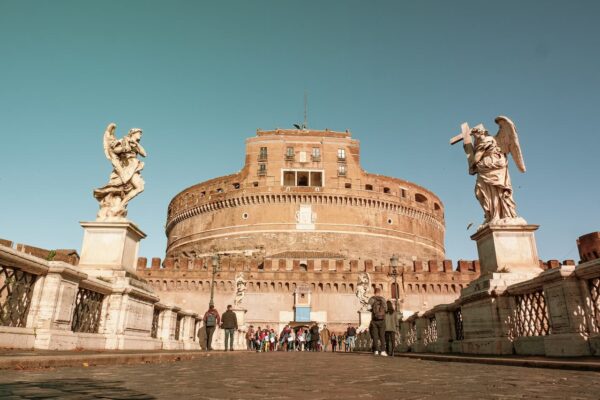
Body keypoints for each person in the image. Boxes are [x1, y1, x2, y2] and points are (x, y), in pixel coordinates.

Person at [368, 287, 387, 356]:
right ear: (379, 292)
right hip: (382, 320)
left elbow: (368, 308)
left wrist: (373, 311)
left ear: (374, 292)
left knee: (375, 336)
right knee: (382, 336)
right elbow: (386, 309)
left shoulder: (371, 299)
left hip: (374, 320)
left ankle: (376, 350)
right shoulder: (383, 299)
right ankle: (383, 351)